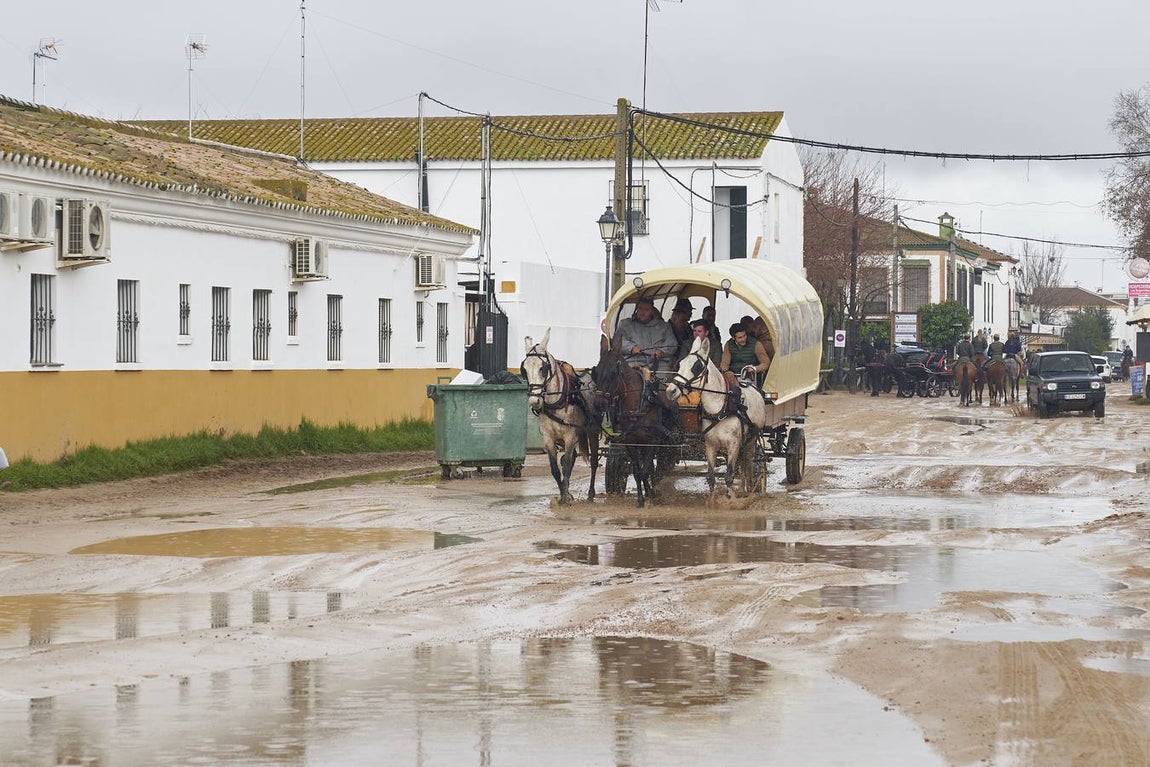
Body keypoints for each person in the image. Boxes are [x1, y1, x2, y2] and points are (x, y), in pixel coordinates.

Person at [611, 296, 678, 372]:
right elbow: (617, 342)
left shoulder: (664, 326)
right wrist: (631, 348)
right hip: (633, 363)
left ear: (652, 310)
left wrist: (661, 351)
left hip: (659, 364)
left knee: (665, 380)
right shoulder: (625, 324)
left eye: (647, 310)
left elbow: (672, 344)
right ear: (636, 309)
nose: (643, 312)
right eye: (640, 308)